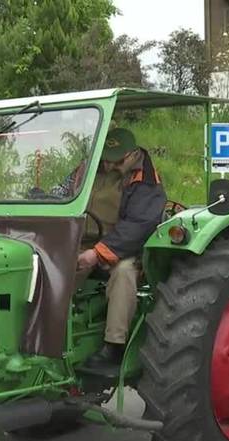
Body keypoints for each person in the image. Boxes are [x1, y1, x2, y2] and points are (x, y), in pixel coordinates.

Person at [77, 127, 167, 372]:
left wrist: (98, 253)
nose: (107, 164)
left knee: (124, 273)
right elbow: (62, 194)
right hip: (82, 241)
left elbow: (139, 225)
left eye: (114, 160)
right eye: (104, 157)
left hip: (124, 248)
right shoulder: (86, 170)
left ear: (130, 155)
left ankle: (114, 346)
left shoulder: (146, 180)